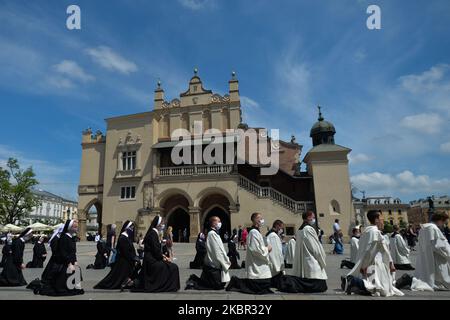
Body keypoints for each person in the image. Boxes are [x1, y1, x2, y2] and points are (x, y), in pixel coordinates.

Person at [342, 210, 403, 297]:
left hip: (370, 265)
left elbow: (363, 249)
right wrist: (390, 264)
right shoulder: (375, 232)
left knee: (378, 289)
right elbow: (371, 251)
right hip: (374, 265)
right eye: (381, 218)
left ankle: (356, 283)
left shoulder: (366, 231)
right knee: (382, 290)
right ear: (376, 220)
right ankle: (353, 281)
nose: (383, 220)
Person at [396, 212, 450, 291]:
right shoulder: (433, 228)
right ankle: (410, 280)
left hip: (427, 256)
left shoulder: (424, 228)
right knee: (438, 278)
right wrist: (448, 253)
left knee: (430, 278)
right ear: (441, 220)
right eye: (444, 222)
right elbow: (439, 246)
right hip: (436, 257)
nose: (443, 225)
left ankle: (410, 280)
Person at [276, 211, 328, 293]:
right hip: (311, 260)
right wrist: (321, 257)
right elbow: (315, 247)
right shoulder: (308, 229)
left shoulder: (300, 230)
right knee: (319, 284)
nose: (314, 219)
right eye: (313, 217)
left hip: (305, 259)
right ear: (308, 217)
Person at [226, 213, 273, 295]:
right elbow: (255, 249)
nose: (262, 220)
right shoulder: (253, 232)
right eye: (260, 218)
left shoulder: (256, 232)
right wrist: (267, 249)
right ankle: (236, 282)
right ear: (255, 220)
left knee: (263, 284)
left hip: (259, 262)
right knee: (258, 286)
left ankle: (236, 281)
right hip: (256, 263)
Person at [130, 216, 180, 292]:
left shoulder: (154, 233)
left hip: (152, 258)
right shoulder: (153, 234)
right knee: (173, 267)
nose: (163, 225)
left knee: (171, 266)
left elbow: (155, 250)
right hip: (151, 261)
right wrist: (164, 258)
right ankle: (167, 286)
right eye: (162, 223)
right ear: (158, 224)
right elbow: (155, 251)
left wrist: (163, 256)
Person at [34, 220, 84, 296]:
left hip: (70, 261)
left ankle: (76, 288)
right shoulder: (64, 237)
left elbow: (73, 252)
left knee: (77, 270)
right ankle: (68, 287)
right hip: (64, 262)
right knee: (66, 276)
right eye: (75, 227)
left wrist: (75, 261)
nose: (76, 228)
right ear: (69, 227)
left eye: (77, 227)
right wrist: (69, 264)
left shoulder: (71, 238)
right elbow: (63, 252)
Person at [186, 216, 231, 290]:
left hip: (215, 263)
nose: (220, 223)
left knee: (220, 284)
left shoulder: (214, 233)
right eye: (218, 221)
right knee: (217, 285)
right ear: (213, 223)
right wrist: (225, 260)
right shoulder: (212, 234)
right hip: (213, 264)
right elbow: (217, 250)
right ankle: (194, 279)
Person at [94, 221, 140, 290]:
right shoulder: (123, 237)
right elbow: (126, 252)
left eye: (133, 228)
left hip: (127, 259)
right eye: (131, 228)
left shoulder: (126, 237)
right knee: (116, 278)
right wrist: (133, 258)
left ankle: (129, 281)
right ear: (126, 228)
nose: (132, 229)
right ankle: (127, 281)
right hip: (124, 260)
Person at [266, 220, 285, 287]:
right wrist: (279, 266)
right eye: (281, 228)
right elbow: (276, 252)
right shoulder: (273, 235)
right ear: (277, 226)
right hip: (275, 265)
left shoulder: (271, 234)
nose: (281, 230)